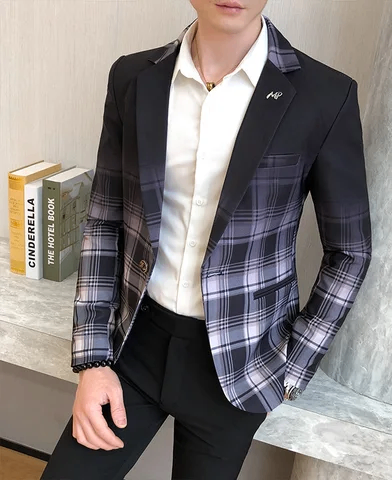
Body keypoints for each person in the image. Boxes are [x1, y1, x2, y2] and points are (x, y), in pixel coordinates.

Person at [40, 0, 372, 478]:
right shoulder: (133, 77)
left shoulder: (324, 95)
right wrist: (92, 359)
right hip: (133, 344)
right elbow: (105, 219)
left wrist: (293, 365)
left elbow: (350, 250)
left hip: (239, 365)